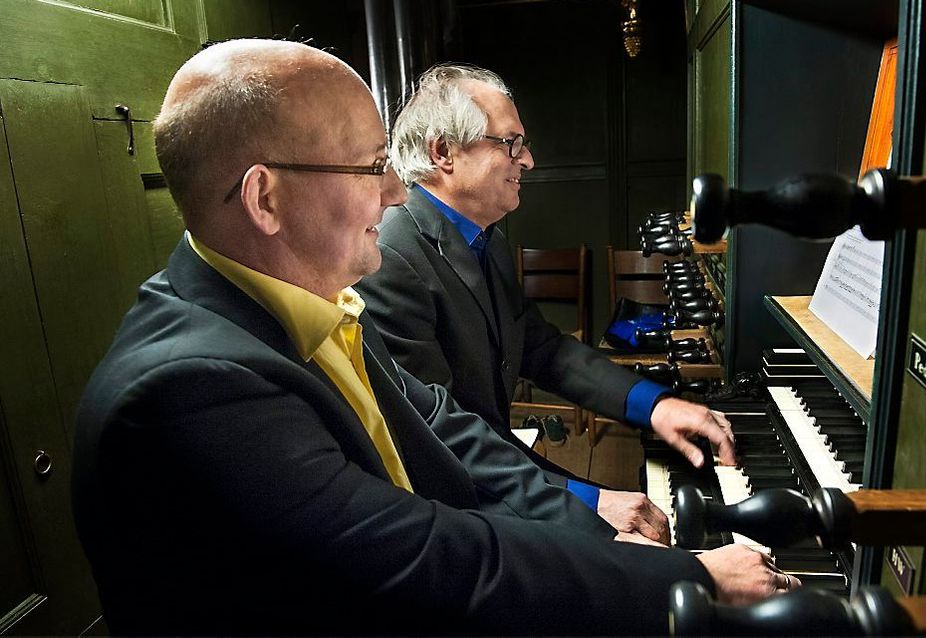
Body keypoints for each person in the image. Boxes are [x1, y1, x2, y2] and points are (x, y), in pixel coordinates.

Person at [71, 39, 798, 635]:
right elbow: (425, 553)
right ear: (267, 198)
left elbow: (442, 424)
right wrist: (680, 575)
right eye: (371, 166)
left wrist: (586, 513)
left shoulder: (311, 301)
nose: (393, 192)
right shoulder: (192, 391)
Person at [356, 63, 737, 544]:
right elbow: (439, 437)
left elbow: (542, 348)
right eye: (510, 143)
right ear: (443, 152)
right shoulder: (392, 257)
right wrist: (592, 503)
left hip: (497, 465)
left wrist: (656, 405)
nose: (529, 160)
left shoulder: (485, 239)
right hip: (454, 506)